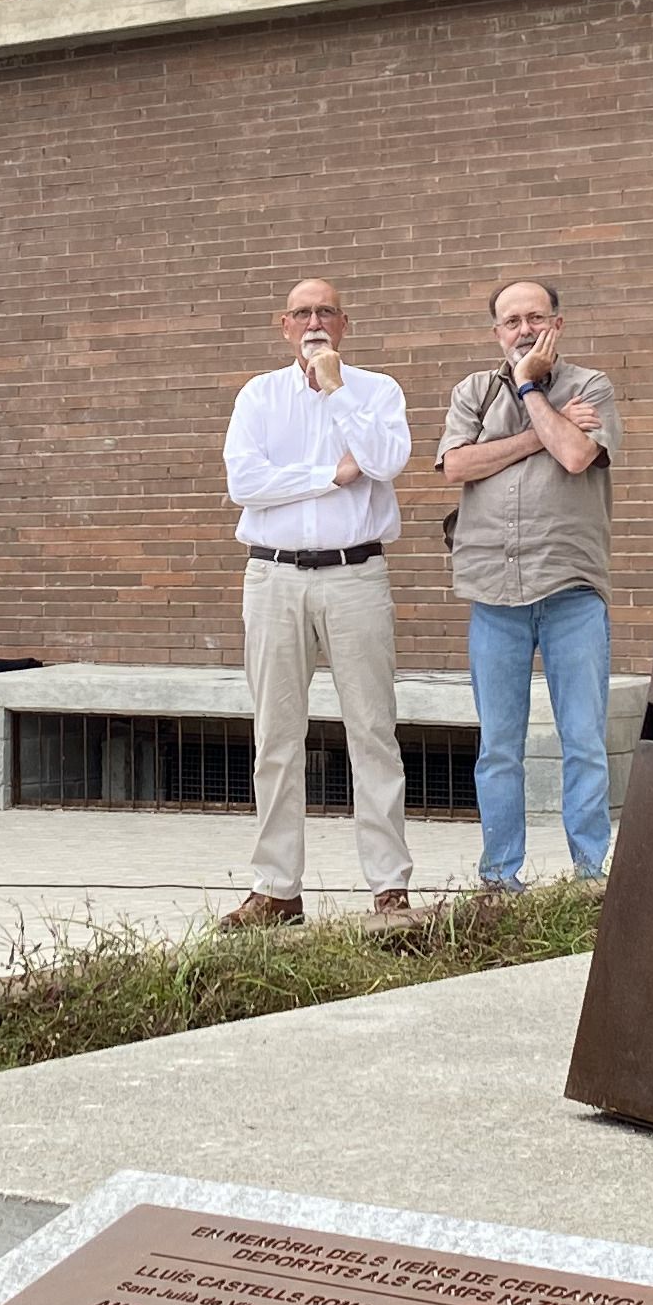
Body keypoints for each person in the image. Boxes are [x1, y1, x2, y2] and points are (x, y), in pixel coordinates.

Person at [218, 278, 412, 929]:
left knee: (373, 730)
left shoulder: (376, 391)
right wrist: (330, 475)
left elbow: (386, 461)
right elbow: (245, 483)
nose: (313, 321)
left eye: (324, 311)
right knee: (274, 734)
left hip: (354, 577)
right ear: (283, 324)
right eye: (301, 312)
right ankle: (277, 889)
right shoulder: (258, 395)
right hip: (273, 579)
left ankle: (389, 888)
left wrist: (335, 390)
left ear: (344, 322)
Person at [435, 278, 618, 891]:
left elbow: (573, 456)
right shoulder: (472, 392)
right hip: (493, 593)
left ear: (556, 325)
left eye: (534, 318)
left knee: (585, 739)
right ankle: (499, 878)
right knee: (499, 747)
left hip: (570, 589)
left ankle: (591, 874)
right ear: (496, 332)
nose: (523, 330)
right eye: (510, 321)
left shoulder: (591, 387)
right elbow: (456, 465)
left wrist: (534, 390)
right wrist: (541, 427)